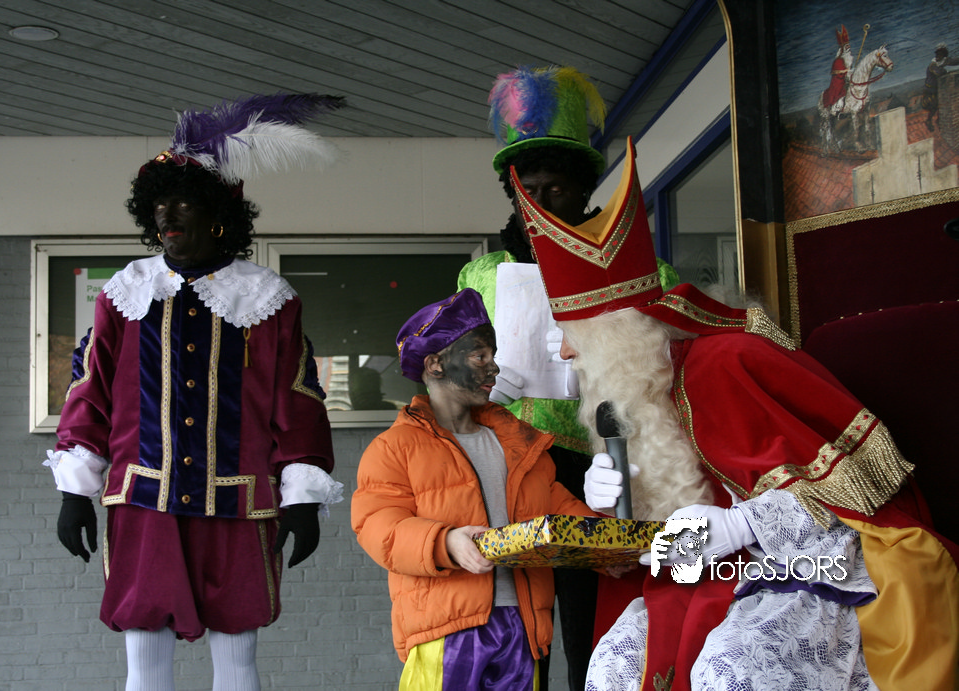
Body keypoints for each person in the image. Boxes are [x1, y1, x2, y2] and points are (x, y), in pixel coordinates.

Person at [511, 137, 959, 690]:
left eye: (574, 336)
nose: (564, 354)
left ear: (619, 336)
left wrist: (740, 524)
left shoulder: (729, 363)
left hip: (810, 564)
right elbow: (661, 544)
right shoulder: (633, 397)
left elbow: (856, 487)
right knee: (611, 666)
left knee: (730, 671)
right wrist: (613, 508)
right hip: (708, 575)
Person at [43, 94, 346, 691]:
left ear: (218, 212)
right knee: (144, 654)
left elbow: (298, 400)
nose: (166, 213)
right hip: (143, 501)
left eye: (182, 200)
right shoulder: (126, 293)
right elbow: (90, 391)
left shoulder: (267, 299)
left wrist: (303, 496)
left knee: (237, 655)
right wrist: (75, 490)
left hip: (238, 504)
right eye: (158, 201)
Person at [458, 64, 679, 688]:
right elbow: (445, 373)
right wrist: (480, 386)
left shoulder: (640, 270)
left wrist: (610, 367)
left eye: (554, 189)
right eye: (526, 190)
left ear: (581, 190)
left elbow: (675, 372)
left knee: (593, 627)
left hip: (599, 469)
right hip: (508, 467)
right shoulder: (478, 277)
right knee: (514, 625)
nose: (539, 203)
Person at [350, 288, 598, 690]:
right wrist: (444, 542)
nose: (493, 368)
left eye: (493, 356)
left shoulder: (521, 442)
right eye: (479, 356)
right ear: (435, 365)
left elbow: (560, 508)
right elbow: (377, 526)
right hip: (445, 630)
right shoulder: (394, 447)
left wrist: (611, 546)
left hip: (524, 625)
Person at [922, 43, 959, 131]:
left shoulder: (943, 61)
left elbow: (954, 61)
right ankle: (929, 120)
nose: (939, 56)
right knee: (934, 106)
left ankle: (939, 120)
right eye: (938, 54)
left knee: (940, 105)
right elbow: (939, 72)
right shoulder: (933, 65)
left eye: (941, 54)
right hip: (930, 89)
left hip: (937, 89)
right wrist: (945, 70)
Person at [821, 25, 852, 112]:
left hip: (847, 77)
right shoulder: (838, 60)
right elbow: (836, 71)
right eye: (846, 46)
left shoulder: (849, 57)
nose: (848, 48)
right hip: (838, 80)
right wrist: (846, 71)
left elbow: (849, 68)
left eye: (848, 46)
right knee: (841, 92)